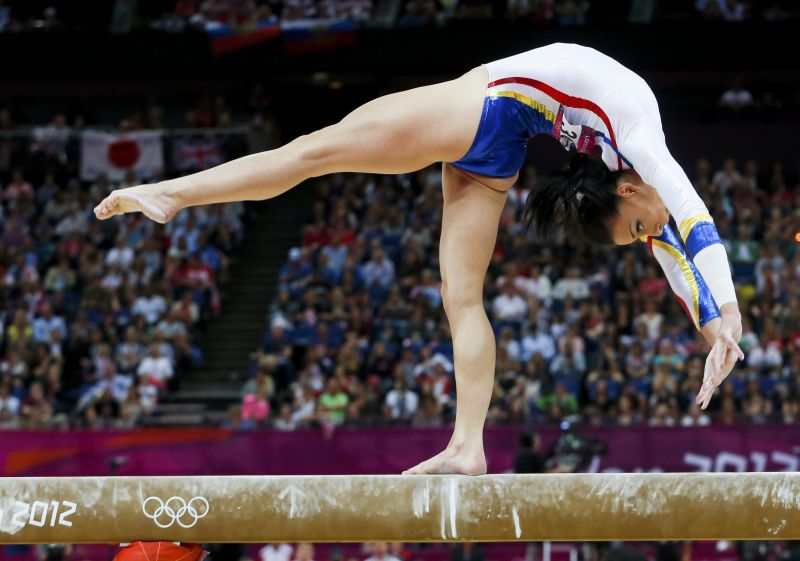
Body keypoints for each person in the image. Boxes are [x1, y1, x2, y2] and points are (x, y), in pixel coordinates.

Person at [94, 43, 744, 475]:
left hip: (496, 130)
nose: (647, 236)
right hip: (486, 108)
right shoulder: (641, 138)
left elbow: (669, 248)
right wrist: (732, 315)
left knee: (460, 294)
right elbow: (693, 223)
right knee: (314, 150)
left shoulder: (622, 173)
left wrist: (713, 332)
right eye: (635, 229)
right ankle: (173, 193)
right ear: (629, 192)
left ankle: (467, 445)